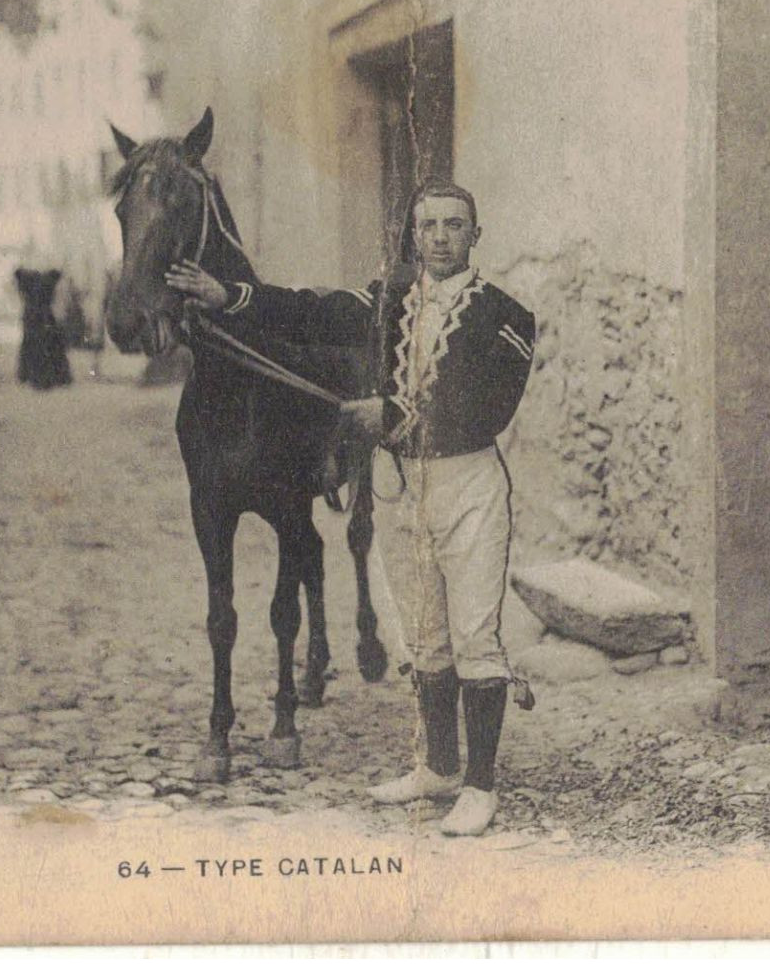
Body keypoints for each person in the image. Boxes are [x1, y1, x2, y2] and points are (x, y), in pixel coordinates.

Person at [166, 180, 537, 837]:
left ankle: (479, 787)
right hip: (401, 483)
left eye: (455, 225)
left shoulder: (504, 317)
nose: (442, 236)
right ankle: (440, 768)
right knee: (423, 634)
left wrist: (388, 413)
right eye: (430, 226)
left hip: (467, 485)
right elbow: (308, 311)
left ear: (475, 235)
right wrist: (231, 298)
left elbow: (486, 411)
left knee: (474, 635)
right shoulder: (386, 302)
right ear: (414, 237)